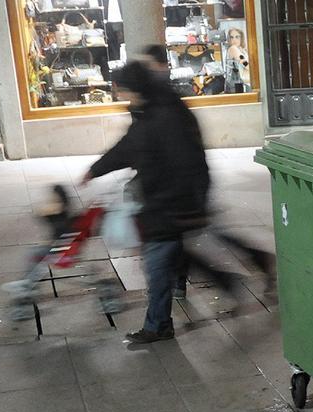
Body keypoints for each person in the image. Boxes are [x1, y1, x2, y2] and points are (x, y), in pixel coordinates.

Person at [82, 59, 255, 343]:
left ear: (133, 89)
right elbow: (130, 147)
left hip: (168, 202)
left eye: (123, 90)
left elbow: (154, 153)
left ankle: (159, 324)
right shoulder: (158, 108)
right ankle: (226, 282)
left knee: (158, 264)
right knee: (174, 256)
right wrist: (96, 169)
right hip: (173, 200)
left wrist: (189, 201)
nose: (121, 95)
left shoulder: (159, 117)